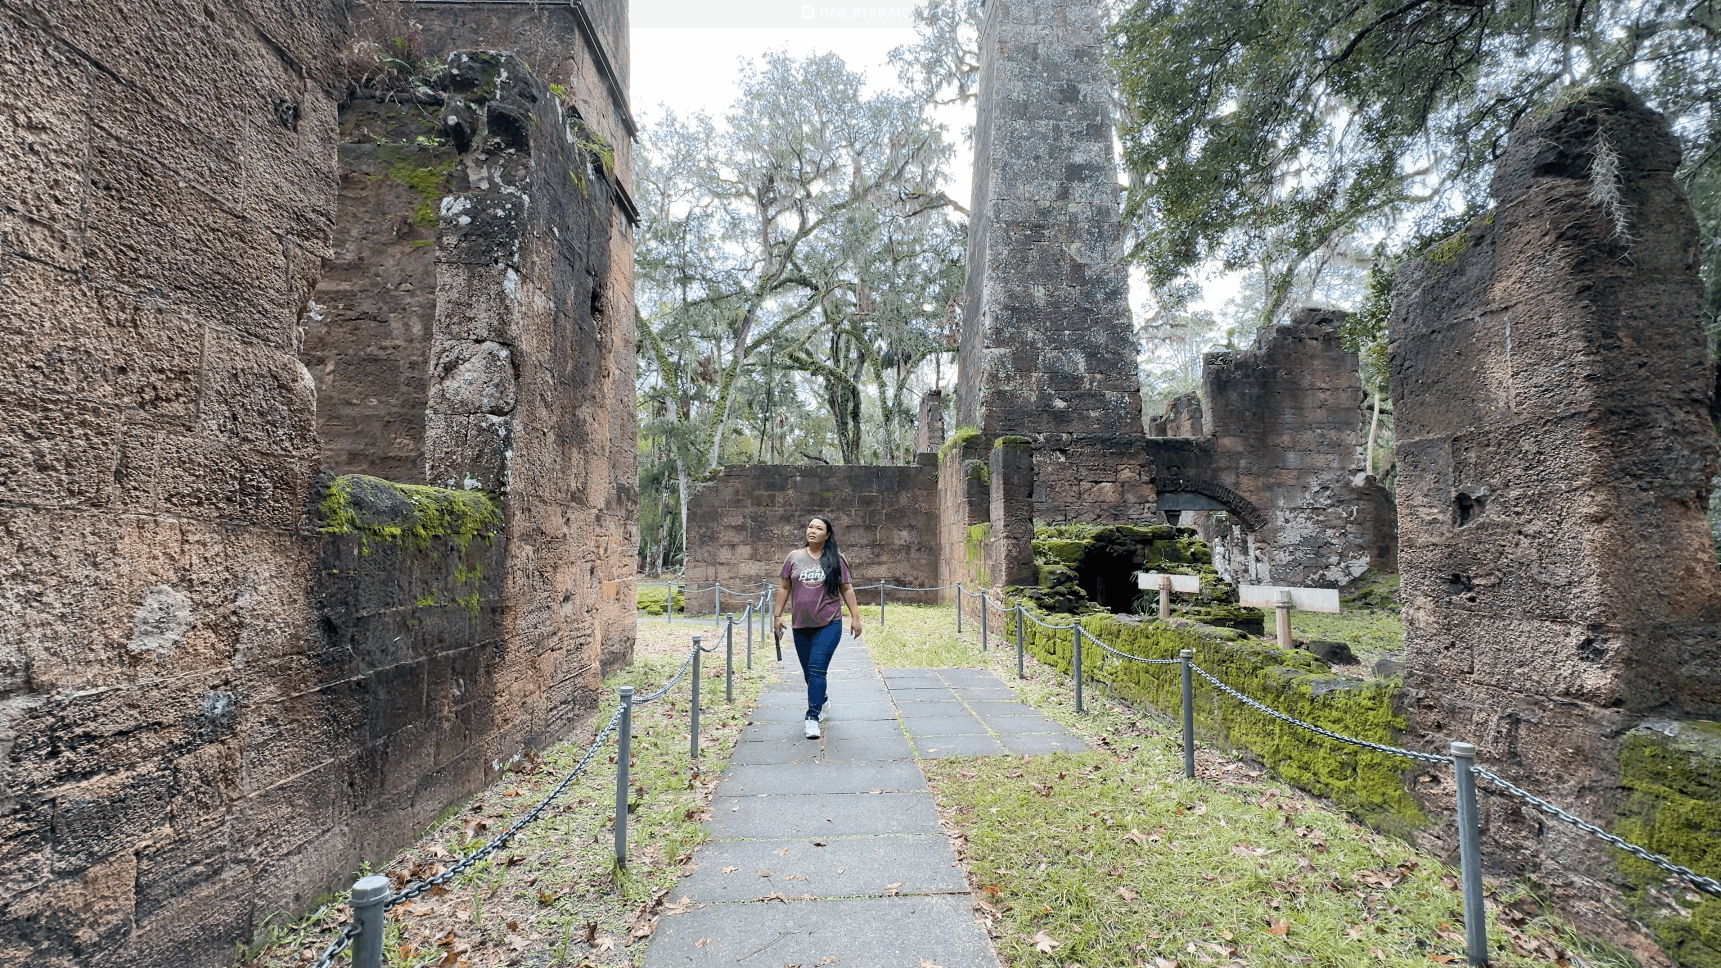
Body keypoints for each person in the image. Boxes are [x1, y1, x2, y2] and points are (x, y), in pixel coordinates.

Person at [773, 515, 863, 739]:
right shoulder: (794, 557)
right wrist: (777, 615)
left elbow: (847, 588)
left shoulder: (835, 558)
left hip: (829, 623)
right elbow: (784, 587)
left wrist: (855, 617)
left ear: (827, 535)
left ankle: (812, 717)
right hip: (801, 624)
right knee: (808, 673)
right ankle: (821, 700)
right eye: (810, 526)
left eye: (819, 528)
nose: (812, 530)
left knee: (816, 668)